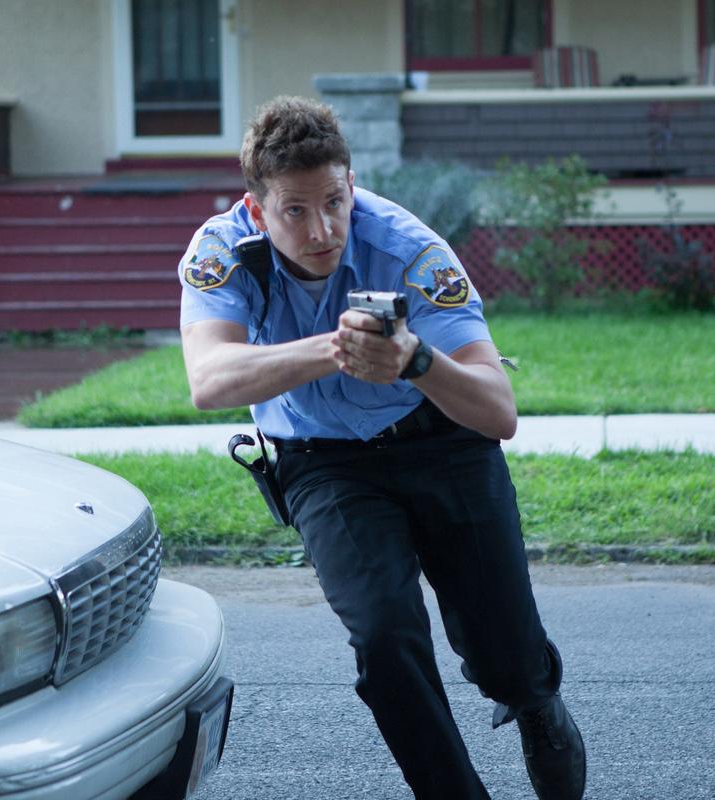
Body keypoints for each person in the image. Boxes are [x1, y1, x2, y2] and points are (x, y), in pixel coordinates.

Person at [176, 95, 586, 800]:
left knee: (506, 656)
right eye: (295, 211)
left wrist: (416, 361)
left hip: (443, 444)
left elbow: (497, 410)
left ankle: (535, 702)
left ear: (353, 184)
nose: (322, 228)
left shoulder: (410, 249)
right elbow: (209, 381)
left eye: (334, 201)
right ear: (256, 210)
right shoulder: (222, 253)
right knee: (385, 636)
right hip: (323, 464)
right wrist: (334, 350)